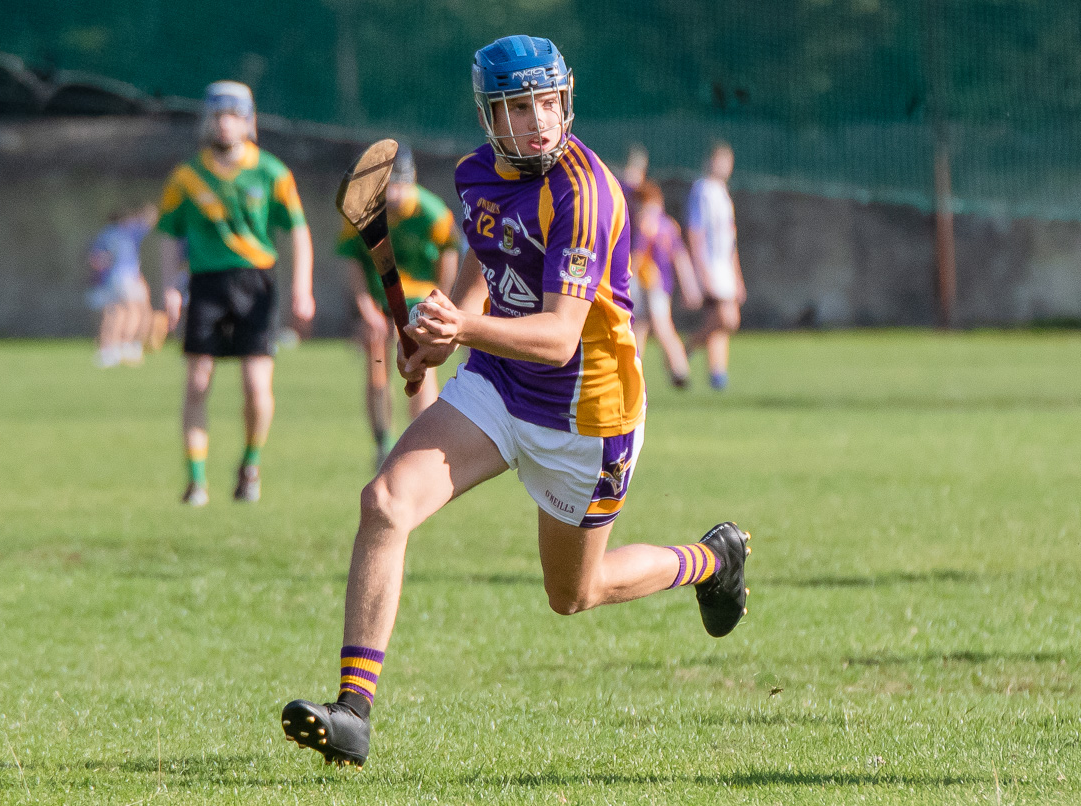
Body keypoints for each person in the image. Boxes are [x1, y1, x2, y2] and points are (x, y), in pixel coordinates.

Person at [280, 35, 751, 769]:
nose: (536, 121)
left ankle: (709, 561)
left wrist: (463, 327)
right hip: (499, 387)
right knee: (384, 504)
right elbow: (485, 255)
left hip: (587, 416)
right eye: (516, 108)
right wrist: (439, 335)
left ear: (565, 100)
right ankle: (353, 713)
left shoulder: (584, 191)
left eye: (546, 103)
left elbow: (561, 336)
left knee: (575, 594)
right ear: (487, 115)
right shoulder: (475, 175)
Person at [156, 80, 314, 506]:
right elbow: (169, 235)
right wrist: (171, 286)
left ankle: (250, 466)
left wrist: (302, 287)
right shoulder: (187, 176)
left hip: (257, 283)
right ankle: (196, 481)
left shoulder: (272, 172)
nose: (225, 124)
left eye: (234, 115)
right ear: (208, 120)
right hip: (207, 283)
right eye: (218, 115)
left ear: (249, 121)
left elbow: (298, 231)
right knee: (197, 381)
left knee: (256, 389)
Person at [337, 145, 460, 469]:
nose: (393, 193)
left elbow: (450, 255)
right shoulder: (363, 211)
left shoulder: (432, 212)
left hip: (419, 300)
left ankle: (420, 446)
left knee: (420, 368)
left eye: (399, 185)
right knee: (377, 367)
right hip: (379, 301)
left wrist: (441, 302)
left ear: (411, 180)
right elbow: (351, 261)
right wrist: (365, 308)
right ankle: (382, 444)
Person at [684, 141, 746, 391]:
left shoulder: (723, 192)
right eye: (720, 160)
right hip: (711, 264)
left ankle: (717, 373)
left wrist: (737, 274)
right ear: (710, 161)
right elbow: (695, 232)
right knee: (726, 318)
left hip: (725, 266)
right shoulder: (703, 190)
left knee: (721, 320)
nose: (724, 166)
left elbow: (731, 239)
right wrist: (701, 270)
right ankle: (687, 347)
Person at [629, 180, 701, 388]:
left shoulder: (648, 224)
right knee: (639, 327)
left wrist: (626, 279)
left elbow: (638, 256)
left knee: (661, 327)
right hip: (652, 284)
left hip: (653, 284)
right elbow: (680, 256)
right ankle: (634, 370)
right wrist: (689, 286)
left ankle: (680, 370)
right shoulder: (668, 224)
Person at [85, 204, 157, 367]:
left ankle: (108, 349)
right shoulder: (129, 231)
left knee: (115, 312)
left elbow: (95, 258)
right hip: (126, 275)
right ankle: (125, 345)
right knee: (133, 309)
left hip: (112, 278)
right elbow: (150, 220)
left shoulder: (107, 233)